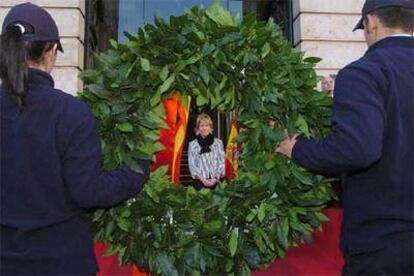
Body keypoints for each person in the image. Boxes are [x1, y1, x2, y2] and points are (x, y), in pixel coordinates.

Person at [0, 3, 150, 275]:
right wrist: (137, 169)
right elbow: (88, 191)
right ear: (52, 50)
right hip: (61, 263)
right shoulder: (70, 112)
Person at [276, 0, 413, 275]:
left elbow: (357, 148)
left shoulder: (363, 72)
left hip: (383, 243)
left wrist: (297, 148)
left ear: (371, 22)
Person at [188, 113, 225, 190]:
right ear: (198, 128)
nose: (204, 128)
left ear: (210, 128)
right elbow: (192, 165)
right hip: (199, 182)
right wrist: (204, 180)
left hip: (216, 181)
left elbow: (221, 162)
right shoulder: (192, 145)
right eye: (202, 126)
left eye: (207, 126)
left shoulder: (218, 143)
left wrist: (214, 179)